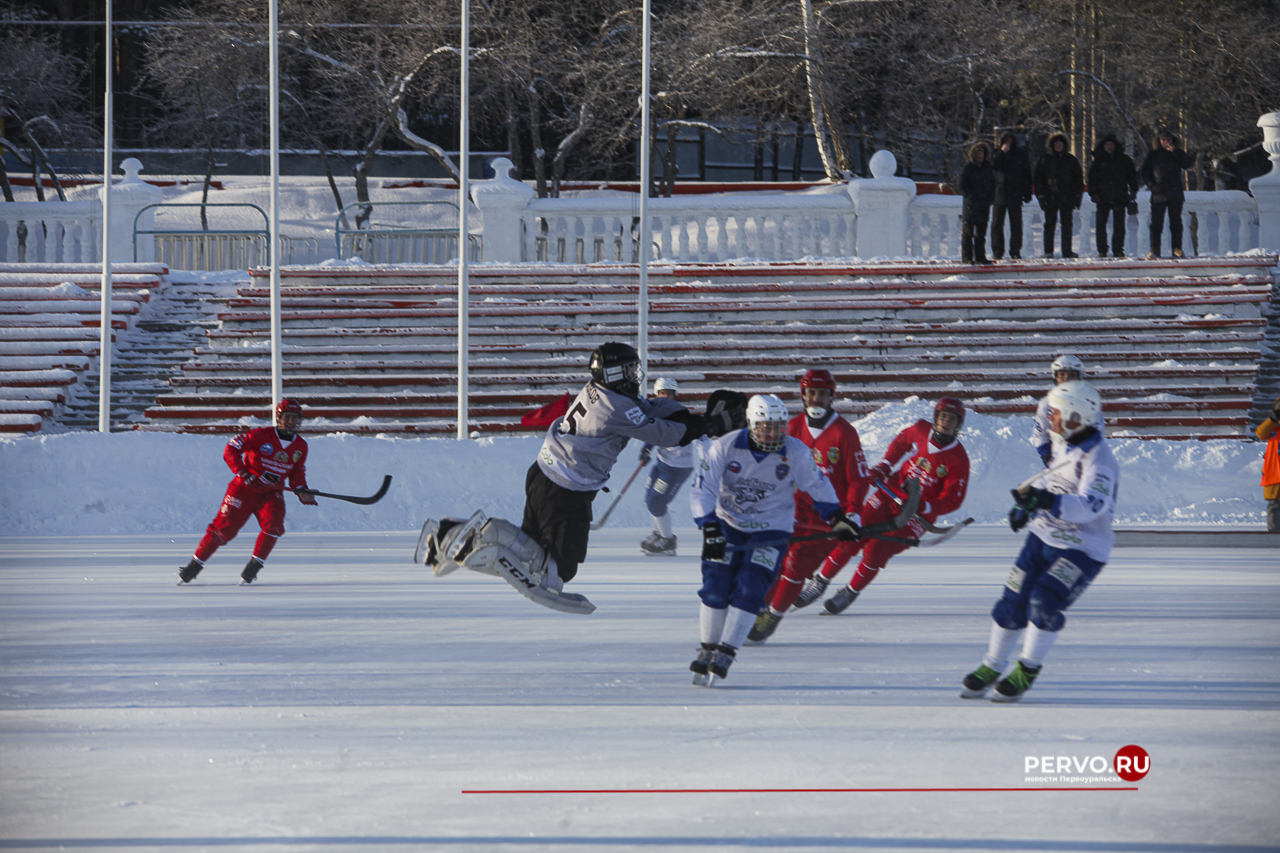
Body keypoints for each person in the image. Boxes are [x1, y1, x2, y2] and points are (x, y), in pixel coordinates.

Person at [961, 380, 1118, 702]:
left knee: (1043, 602)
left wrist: (1045, 501)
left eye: (1056, 414)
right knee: (1013, 598)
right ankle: (993, 664)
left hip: (1083, 547)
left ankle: (1027, 668)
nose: (1050, 420)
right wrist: (1026, 505)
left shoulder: (1100, 460)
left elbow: (1092, 505)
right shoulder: (1064, 443)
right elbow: (1050, 480)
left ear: (1078, 415)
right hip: (1043, 536)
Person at [688, 394, 859, 685]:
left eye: (778, 427)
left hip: (771, 530)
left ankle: (728, 650)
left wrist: (837, 517)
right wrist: (710, 527)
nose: (772, 433)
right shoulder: (725, 446)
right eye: (765, 427)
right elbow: (702, 489)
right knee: (716, 585)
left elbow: (817, 485)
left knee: (751, 586)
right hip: (728, 526)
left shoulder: (795, 451)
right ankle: (707, 649)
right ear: (752, 424)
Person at [796, 397, 971, 615]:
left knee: (876, 551)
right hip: (890, 493)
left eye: (952, 419)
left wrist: (924, 506)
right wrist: (885, 466)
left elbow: (953, 499)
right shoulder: (919, 429)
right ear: (935, 417)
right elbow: (901, 443)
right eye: (943, 416)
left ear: (958, 425)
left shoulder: (959, 459)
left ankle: (850, 591)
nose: (946, 422)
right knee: (853, 534)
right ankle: (820, 582)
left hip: (916, 517)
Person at [748, 369, 870, 642]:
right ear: (803, 395)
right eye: (811, 393)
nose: (816, 399)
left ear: (831, 397)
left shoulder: (845, 433)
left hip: (827, 518)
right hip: (790, 512)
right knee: (772, 561)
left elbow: (859, 479)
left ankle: (773, 615)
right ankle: (754, 611)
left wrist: (853, 512)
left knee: (796, 566)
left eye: (822, 394)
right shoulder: (792, 427)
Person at [179, 399, 317, 585]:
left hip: (271, 492)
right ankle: (194, 566)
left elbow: (297, 473)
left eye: (296, 418)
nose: (292, 422)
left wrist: (302, 490)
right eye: (288, 417)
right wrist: (245, 474)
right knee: (223, 530)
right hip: (244, 488)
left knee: (274, 526)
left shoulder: (301, 446)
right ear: (279, 418)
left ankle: (253, 568)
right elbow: (231, 449)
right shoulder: (261, 435)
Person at [638, 377, 696, 556]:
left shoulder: (679, 414)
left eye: (669, 394)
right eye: (663, 394)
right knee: (650, 498)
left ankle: (668, 541)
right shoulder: (658, 412)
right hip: (662, 463)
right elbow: (654, 432)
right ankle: (660, 531)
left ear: (675, 395)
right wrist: (646, 449)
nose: (666, 397)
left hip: (677, 467)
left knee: (656, 501)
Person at [1030, 354, 1105, 464]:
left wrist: (1077, 456)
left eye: (1072, 375)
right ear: (1055, 377)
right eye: (1061, 375)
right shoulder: (1046, 403)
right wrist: (1047, 456)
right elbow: (1040, 434)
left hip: (1085, 461)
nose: (1066, 379)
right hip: (1056, 461)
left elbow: (1096, 435)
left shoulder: (1090, 403)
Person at [1140, 129, 1195, 259]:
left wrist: (1175, 151)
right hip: (1158, 195)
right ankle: (1155, 249)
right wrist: (1151, 185)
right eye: (1164, 140)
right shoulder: (1153, 154)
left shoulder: (1178, 153)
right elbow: (1145, 172)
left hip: (1175, 194)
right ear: (1159, 141)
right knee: (1156, 224)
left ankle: (1177, 249)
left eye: (1168, 140)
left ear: (1172, 141)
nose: (1166, 142)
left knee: (1176, 223)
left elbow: (1188, 164)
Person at [1087, 133, 1139, 258]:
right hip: (1102, 198)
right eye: (1107, 144)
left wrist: (1133, 191)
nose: (1109, 147)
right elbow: (1092, 179)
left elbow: (1132, 176)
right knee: (1100, 226)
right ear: (1103, 146)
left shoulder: (1124, 160)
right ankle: (1102, 250)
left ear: (1115, 146)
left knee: (1119, 226)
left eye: (1111, 144)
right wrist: (1093, 194)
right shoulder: (1098, 160)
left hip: (1119, 197)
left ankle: (1118, 249)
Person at [1034, 133, 1084, 259]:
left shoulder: (1071, 159)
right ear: (1052, 145)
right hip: (1050, 197)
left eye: (1061, 143)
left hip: (1067, 197)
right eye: (1056, 143)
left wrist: (1078, 195)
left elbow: (1078, 178)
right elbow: (1038, 179)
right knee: (1049, 224)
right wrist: (1040, 196)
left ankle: (1067, 251)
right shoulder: (1045, 159)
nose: (1058, 145)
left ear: (1064, 145)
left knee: (1067, 225)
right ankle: (1048, 251)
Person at [990, 131, 1033, 261]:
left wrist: (1027, 192)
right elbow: (992, 165)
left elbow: (1026, 174)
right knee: (997, 224)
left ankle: (1015, 251)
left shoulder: (1020, 154)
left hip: (1015, 192)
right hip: (999, 192)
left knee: (1016, 225)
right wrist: (1002, 152)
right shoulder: (996, 153)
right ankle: (998, 251)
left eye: (1010, 138)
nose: (1008, 141)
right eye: (1006, 139)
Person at [959, 141, 996, 265]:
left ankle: (981, 256)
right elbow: (962, 186)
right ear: (973, 154)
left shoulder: (988, 168)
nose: (980, 155)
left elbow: (992, 185)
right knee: (968, 233)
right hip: (971, 206)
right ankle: (967, 258)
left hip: (983, 206)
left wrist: (989, 199)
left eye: (982, 153)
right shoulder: (968, 168)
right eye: (977, 153)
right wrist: (971, 197)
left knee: (981, 234)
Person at [1258, 397, 1280, 532]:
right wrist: (1273, 419)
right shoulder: (1272, 428)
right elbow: (1260, 433)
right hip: (1273, 475)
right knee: (1274, 508)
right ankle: (1274, 535)